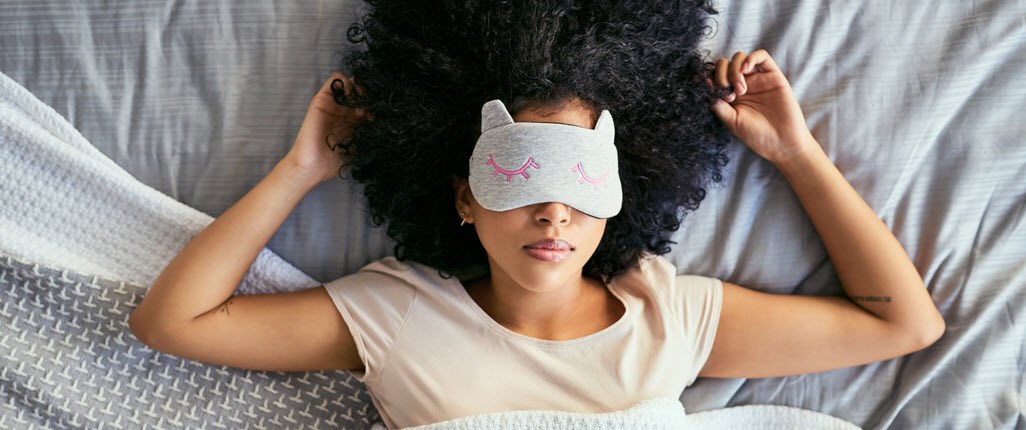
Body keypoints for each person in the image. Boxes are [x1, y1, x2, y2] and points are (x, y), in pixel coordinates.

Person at [128, 2, 945, 428]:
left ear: (622, 193)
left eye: (581, 183)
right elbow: (171, 322)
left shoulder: (670, 314)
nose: (554, 211)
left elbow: (904, 323)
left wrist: (795, 153)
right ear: (464, 197)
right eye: (519, 178)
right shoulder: (395, 314)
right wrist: (303, 169)